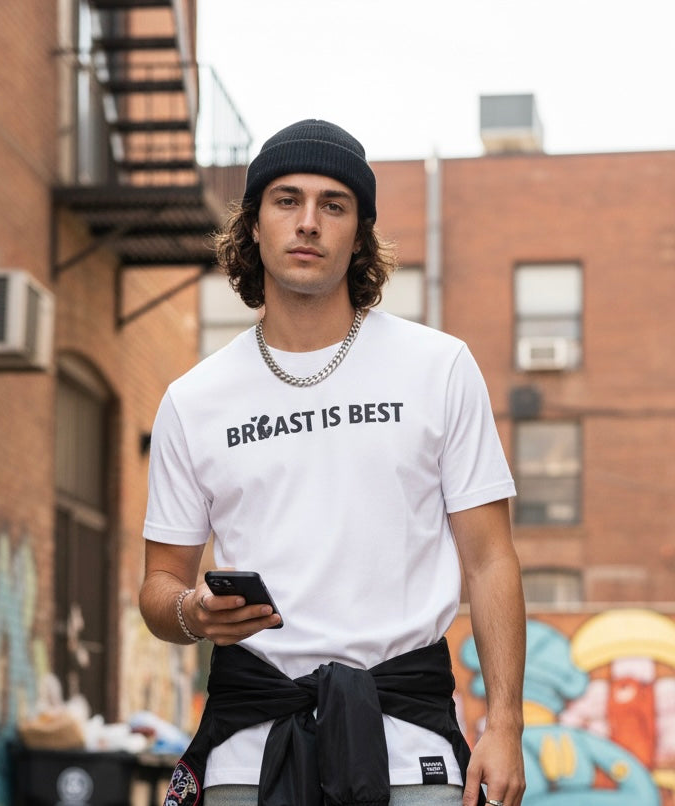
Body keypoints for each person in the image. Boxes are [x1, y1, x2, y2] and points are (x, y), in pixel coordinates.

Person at [139, 119, 526, 806]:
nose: (309, 222)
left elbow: (491, 558)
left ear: (360, 232)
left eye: (334, 204)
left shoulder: (437, 368)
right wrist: (195, 613)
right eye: (286, 200)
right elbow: (160, 584)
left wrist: (506, 724)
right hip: (250, 756)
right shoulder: (194, 400)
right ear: (253, 226)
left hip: (409, 748)